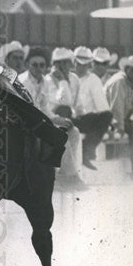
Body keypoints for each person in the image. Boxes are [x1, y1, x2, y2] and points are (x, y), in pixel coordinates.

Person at [44, 47, 83, 185]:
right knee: (64, 135)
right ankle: (71, 176)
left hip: (68, 118)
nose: (68, 66)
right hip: (52, 118)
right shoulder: (47, 80)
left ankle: (64, 174)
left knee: (75, 133)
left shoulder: (74, 79)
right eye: (63, 63)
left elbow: (76, 102)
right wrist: (62, 81)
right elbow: (63, 102)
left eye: (68, 62)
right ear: (57, 64)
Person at [72, 47, 114, 170]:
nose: (81, 67)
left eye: (85, 65)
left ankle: (86, 152)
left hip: (85, 120)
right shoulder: (68, 77)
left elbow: (103, 107)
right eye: (79, 64)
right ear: (74, 63)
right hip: (67, 118)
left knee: (106, 116)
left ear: (90, 64)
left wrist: (110, 126)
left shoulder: (93, 80)